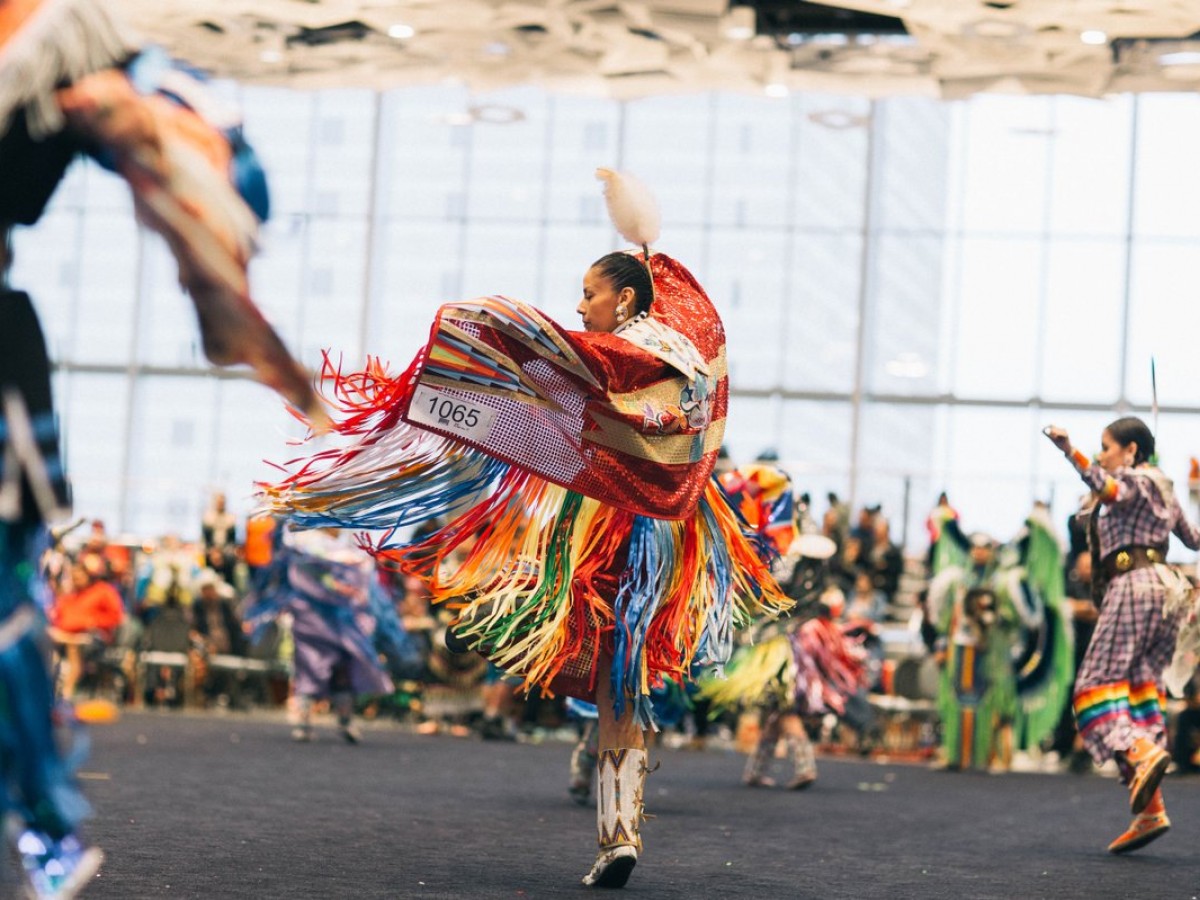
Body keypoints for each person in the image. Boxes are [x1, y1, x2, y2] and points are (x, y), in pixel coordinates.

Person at [261, 168, 788, 888]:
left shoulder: (627, 358)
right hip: (665, 537)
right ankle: (619, 834)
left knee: (613, 683)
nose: (581, 306)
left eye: (590, 293)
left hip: (620, 535)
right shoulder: (682, 361)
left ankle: (617, 837)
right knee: (621, 687)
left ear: (626, 297)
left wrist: (488, 330)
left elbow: (565, 365)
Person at [1045, 418, 1200, 853]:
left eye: (1106, 447)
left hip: (1132, 587)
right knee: (1138, 694)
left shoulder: (1132, 480)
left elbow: (1112, 491)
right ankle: (1150, 809)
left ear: (1131, 450)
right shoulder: (1163, 487)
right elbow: (1193, 540)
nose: (1101, 456)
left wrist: (1069, 449)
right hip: (1164, 591)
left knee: (1093, 688)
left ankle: (1139, 751)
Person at [244, 528, 407, 744]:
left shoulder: (349, 540)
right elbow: (302, 571)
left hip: (342, 619)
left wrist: (350, 589)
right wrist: (333, 582)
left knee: (343, 667)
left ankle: (345, 720)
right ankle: (303, 721)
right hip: (312, 617)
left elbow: (362, 573)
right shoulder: (304, 541)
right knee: (309, 667)